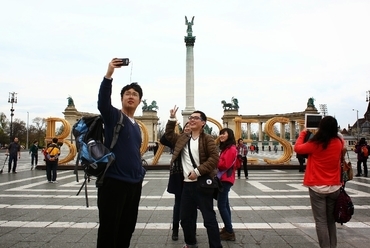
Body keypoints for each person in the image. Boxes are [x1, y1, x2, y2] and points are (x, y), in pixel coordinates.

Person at [97, 58, 146, 248]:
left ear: (140, 101)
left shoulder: (137, 126)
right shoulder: (114, 117)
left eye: (135, 94)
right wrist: (109, 74)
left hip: (134, 184)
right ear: (122, 98)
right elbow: (102, 102)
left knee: (127, 228)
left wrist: (140, 173)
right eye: (127, 93)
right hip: (114, 182)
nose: (131, 96)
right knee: (109, 229)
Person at [165, 107, 222, 248]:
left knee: (209, 219)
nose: (191, 120)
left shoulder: (207, 138)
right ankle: (190, 243)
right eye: (190, 118)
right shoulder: (183, 138)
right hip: (186, 185)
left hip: (202, 184)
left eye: (195, 118)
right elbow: (168, 135)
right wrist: (172, 118)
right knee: (185, 219)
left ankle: (216, 246)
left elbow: (214, 158)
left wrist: (198, 171)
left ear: (203, 123)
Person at [294, 116, 343, 248]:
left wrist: (304, 132)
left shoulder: (316, 143)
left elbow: (298, 148)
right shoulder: (339, 142)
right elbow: (338, 135)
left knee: (321, 221)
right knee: (331, 221)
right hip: (334, 186)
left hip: (317, 187)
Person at [163, 122, 191, 241]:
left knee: (191, 206)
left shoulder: (197, 140)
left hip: (192, 176)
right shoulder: (177, 139)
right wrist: (172, 121)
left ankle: (190, 231)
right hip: (179, 175)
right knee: (178, 204)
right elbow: (165, 138)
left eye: (190, 126)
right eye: (186, 126)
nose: (188, 127)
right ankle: (175, 229)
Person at [217, 128, 238, 241]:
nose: (221, 135)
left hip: (226, 179)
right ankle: (227, 227)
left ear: (229, 135)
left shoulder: (231, 149)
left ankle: (229, 232)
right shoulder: (226, 148)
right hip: (224, 179)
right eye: (220, 134)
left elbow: (224, 165)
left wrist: (215, 160)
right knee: (225, 205)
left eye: (223, 133)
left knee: (221, 205)